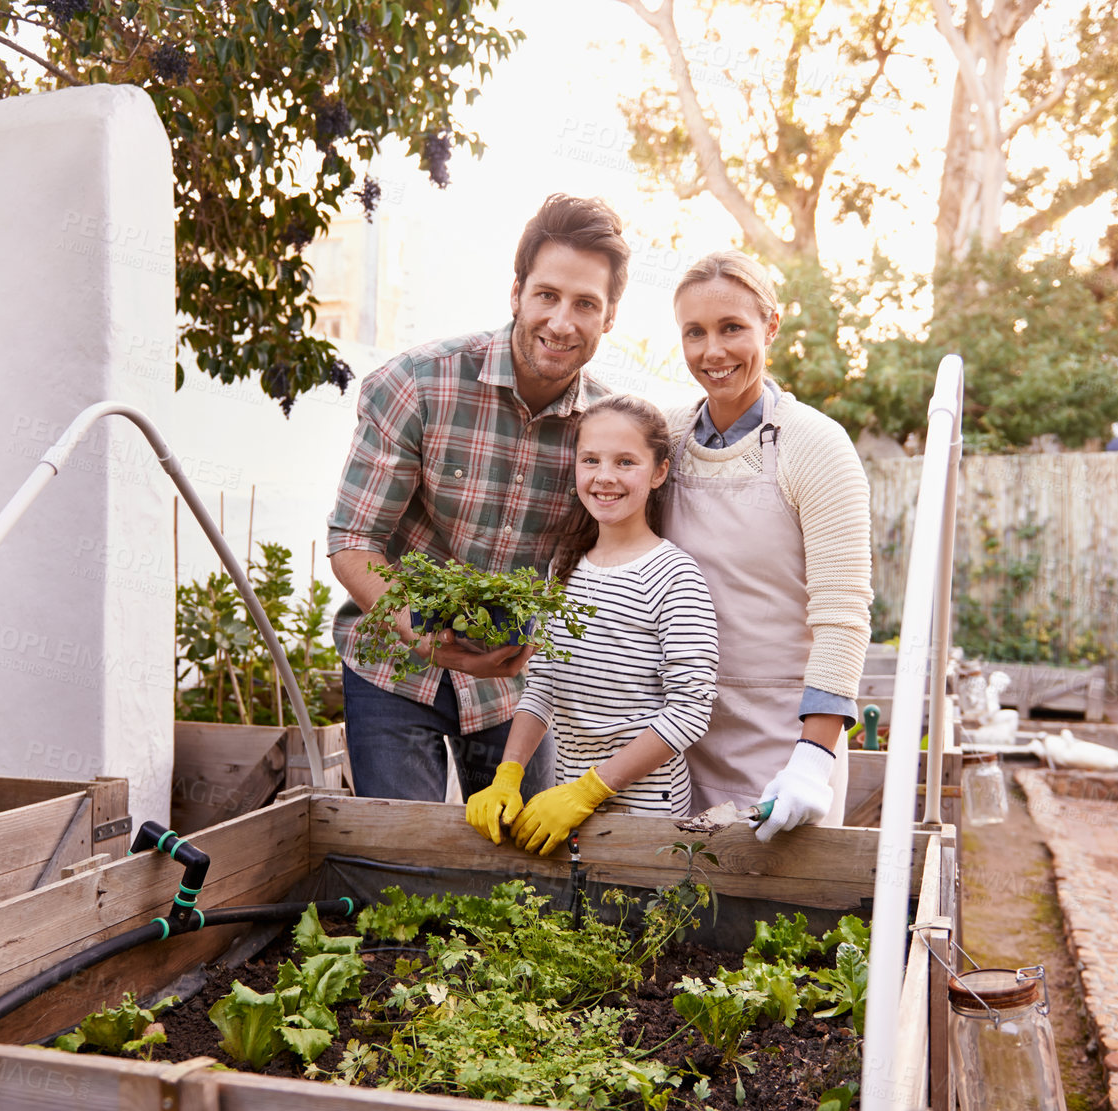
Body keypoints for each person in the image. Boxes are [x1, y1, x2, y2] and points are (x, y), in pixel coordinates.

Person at [326, 194, 629, 802]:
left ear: (610, 317)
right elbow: (352, 542)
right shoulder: (418, 383)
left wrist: (545, 642)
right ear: (516, 292)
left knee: (517, 870)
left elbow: (603, 566)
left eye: (586, 304)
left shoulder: (604, 432)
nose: (562, 323)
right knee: (405, 872)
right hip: (394, 666)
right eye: (547, 295)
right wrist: (422, 633)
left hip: (515, 685)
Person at [663, 250, 872, 842]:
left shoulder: (817, 445)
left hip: (783, 741)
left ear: (771, 326)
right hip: (675, 732)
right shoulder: (665, 437)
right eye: (694, 332)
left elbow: (842, 617)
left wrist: (813, 759)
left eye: (733, 328)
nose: (713, 352)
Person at [464, 394, 719, 855]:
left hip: (649, 814)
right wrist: (509, 773)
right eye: (591, 460)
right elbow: (543, 685)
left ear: (659, 472)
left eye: (626, 461)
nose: (605, 477)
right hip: (565, 810)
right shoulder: (564, 565)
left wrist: (590, 790)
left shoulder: (675, 575)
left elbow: (690, 710)